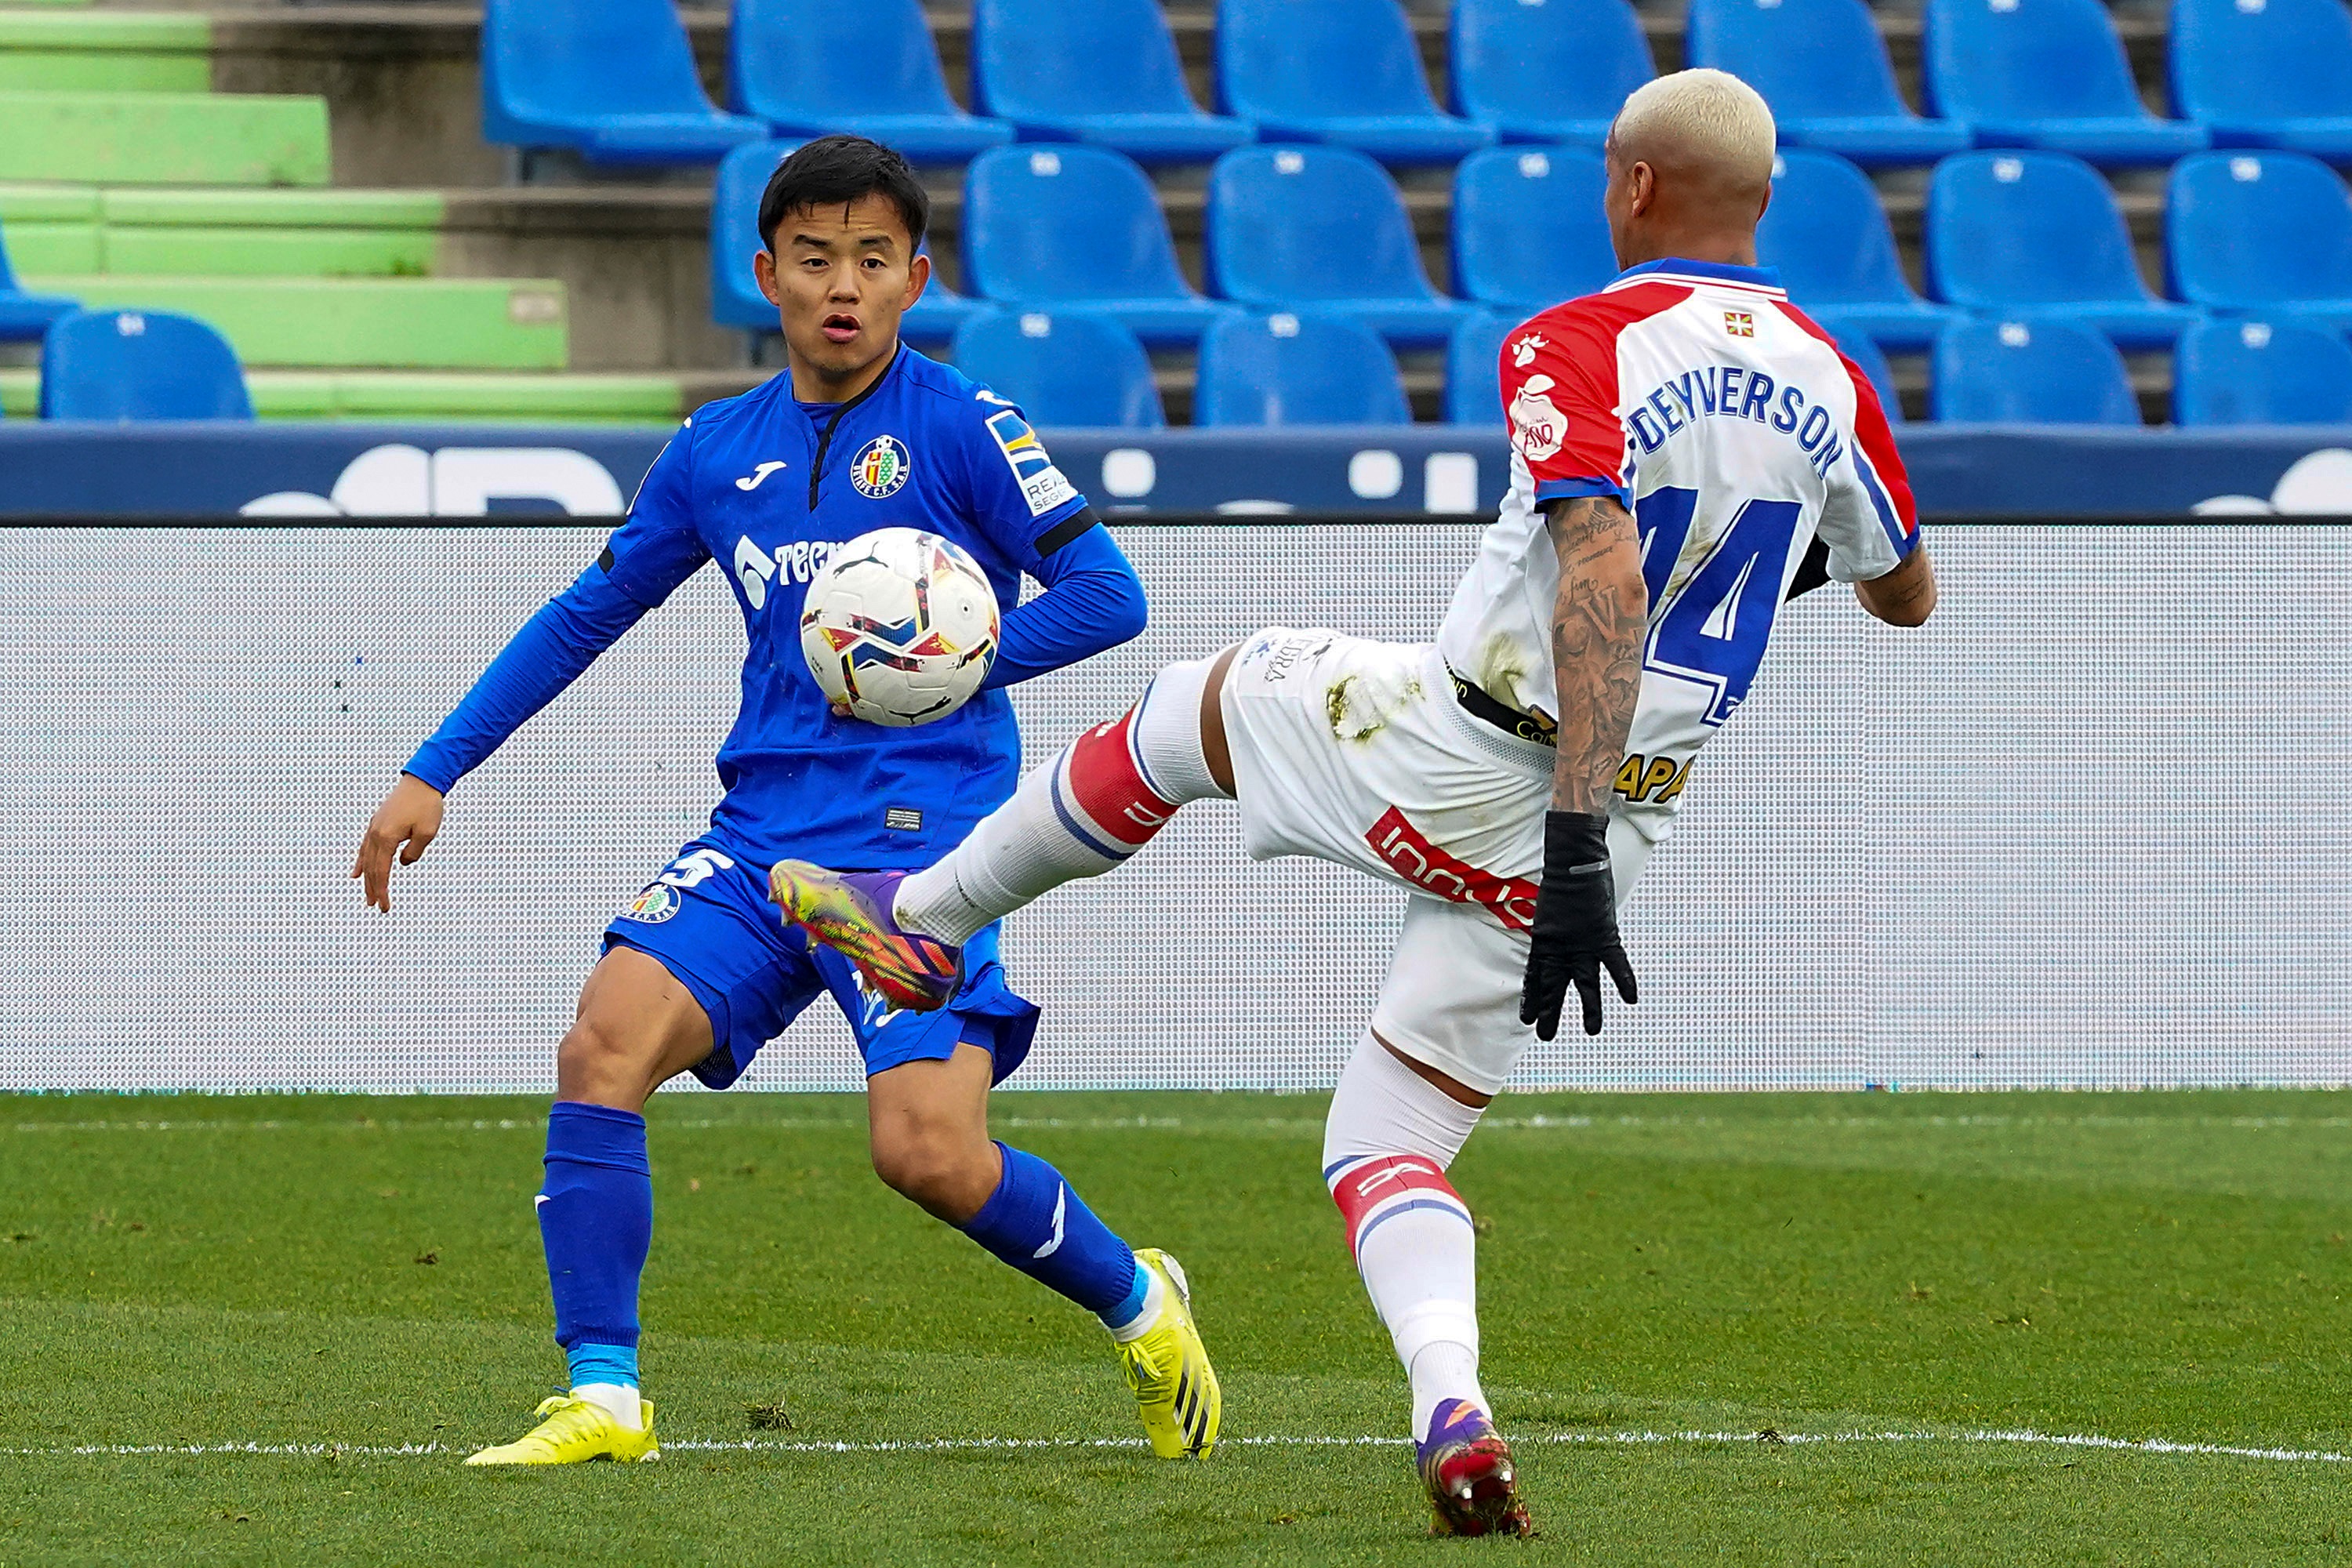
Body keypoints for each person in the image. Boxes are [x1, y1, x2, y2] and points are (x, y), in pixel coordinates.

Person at [771, 72, 1936, 1533]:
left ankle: (924, 920)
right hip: (1630, 811)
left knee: (1198, 705)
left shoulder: (1576, 342)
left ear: (1632, 187)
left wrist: (1569, 827)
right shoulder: (1836, 381)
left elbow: (1603, 567)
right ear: (1766, 199)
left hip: (1486, 763)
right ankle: (1453, 1408)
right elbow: (1905, 592)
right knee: (1389, 1140)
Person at [350, 135, 1221, 1468]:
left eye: (873, 259)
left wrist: (954, 662)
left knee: (927, 1153)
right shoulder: (714, 449)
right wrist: (435, 767)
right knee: (600, 1051)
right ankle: (604, 1396)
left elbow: (1111, 598)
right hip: (760, 843)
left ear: (915, 276)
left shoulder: (966, 426)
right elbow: (589, 612)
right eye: (815, 259)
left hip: (919, 851)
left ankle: (1139, 1302)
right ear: (767, 274)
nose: (843, 286)